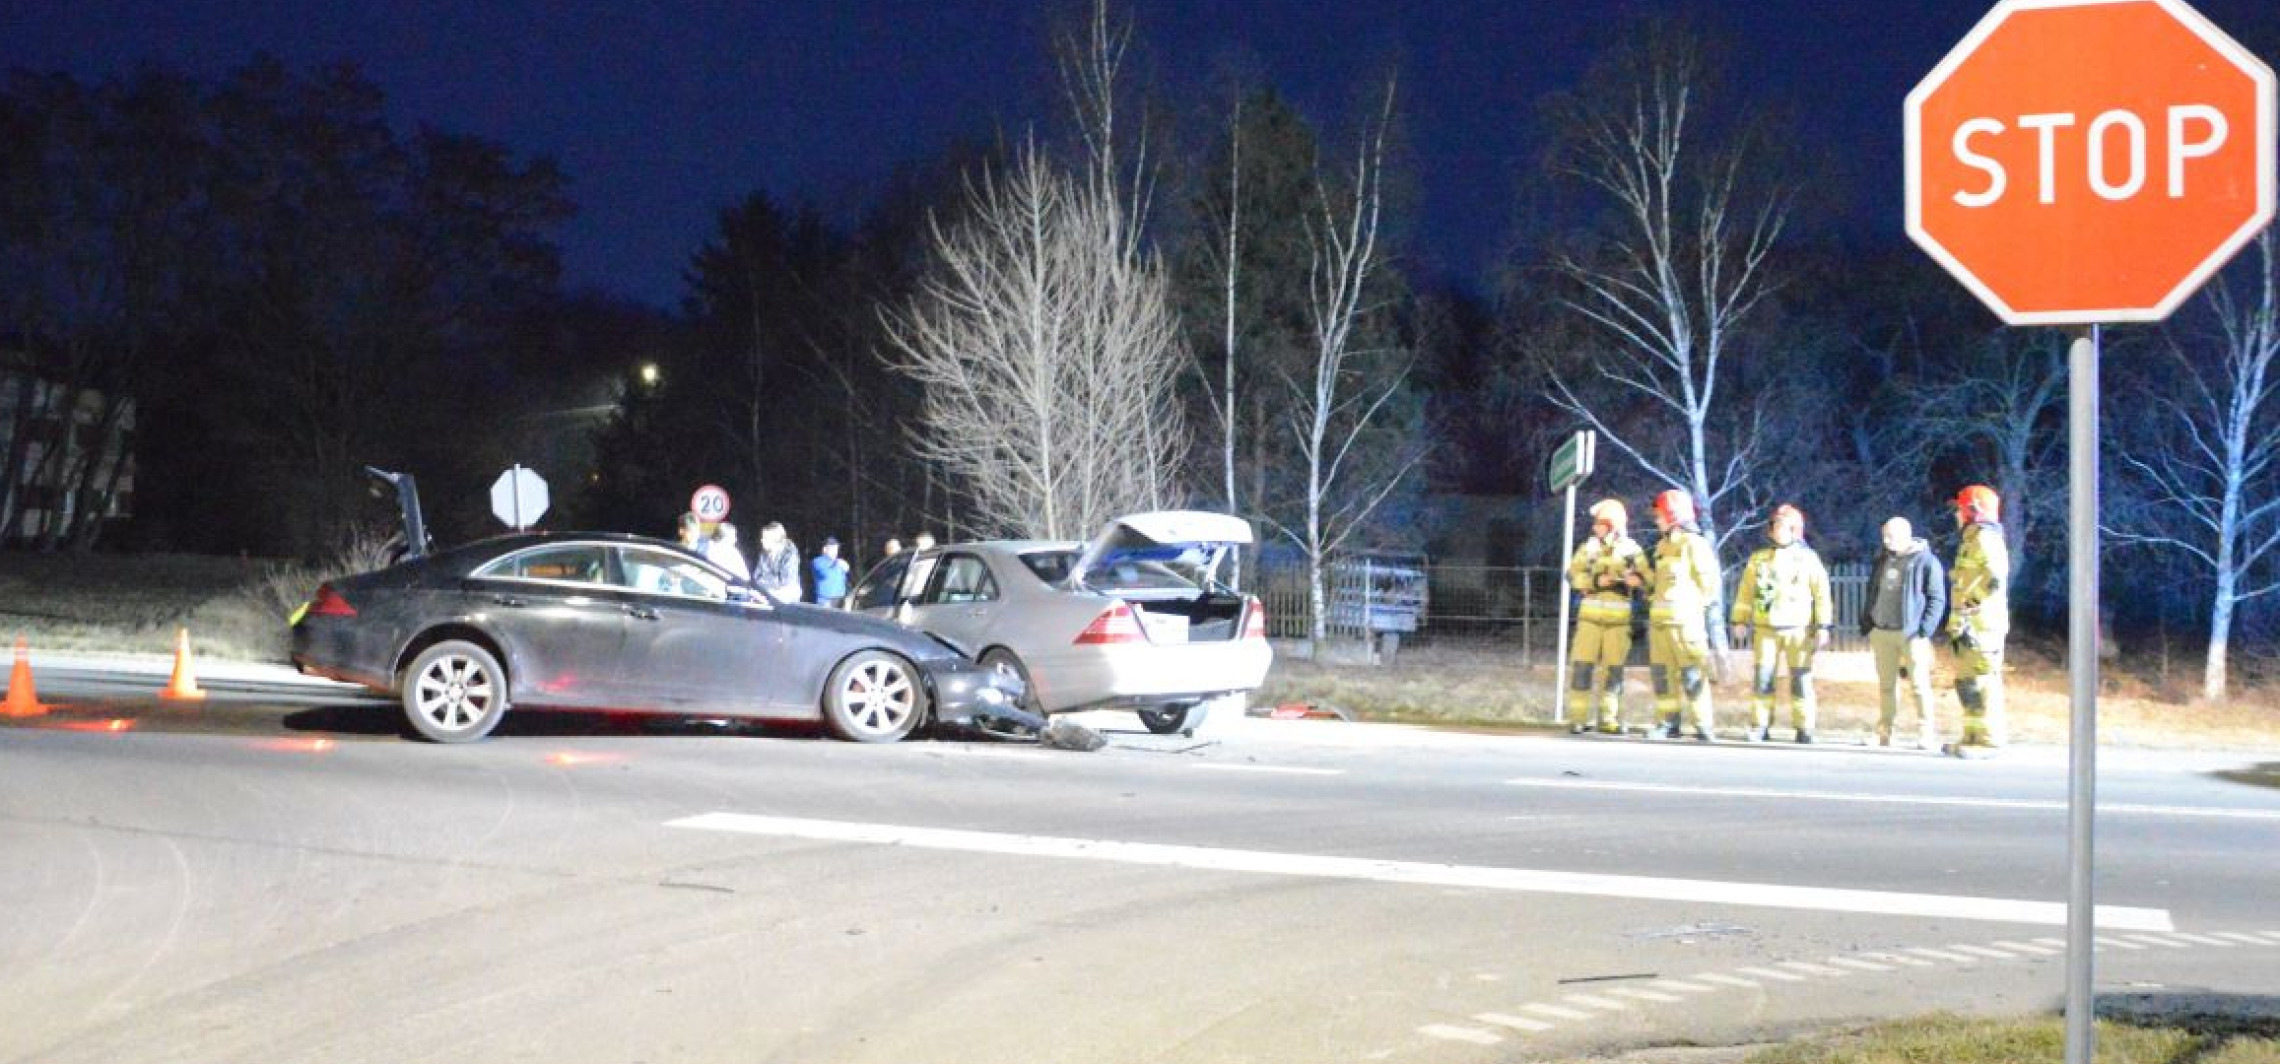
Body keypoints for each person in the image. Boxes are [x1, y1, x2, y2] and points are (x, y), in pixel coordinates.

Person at [1728, 504, 1834, 743]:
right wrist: (1739, 620)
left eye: (1782, 526)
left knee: (1801, 680)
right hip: (1766, 630)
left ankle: (1804, 728)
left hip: (1798, 631)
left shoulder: (1808, 559)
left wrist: (1823, 626)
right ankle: (1760, 725)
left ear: (1795, 530)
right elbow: (1745, 593)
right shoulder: (1759, 560)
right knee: (1763, 680)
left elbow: (1822, 595)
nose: (1776, 530)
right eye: (1774, 525)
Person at [1862, 516, 1947, 749]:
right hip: (1882, 631)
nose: (1887, 541)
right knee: (1886, 685)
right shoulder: (1882, 560)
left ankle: (1926, 732)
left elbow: (1937, 598)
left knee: (1919, 685)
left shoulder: (1925, 561)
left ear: (1906, 535)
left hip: (1911, 634)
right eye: (1885, 536)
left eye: (1891, 536)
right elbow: (1873, 590)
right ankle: (1885, 731)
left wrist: (1924, 630)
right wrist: (1868, 621)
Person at [1564, 498, 1645, 734]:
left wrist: (1637, 580)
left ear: (1612, 525)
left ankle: (1608, 719)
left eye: (1599, 523)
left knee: (1614, 672)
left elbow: (1647, 577)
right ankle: (1577, 719)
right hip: (1589, 620)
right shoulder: (1588, 548)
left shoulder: (1632, 549)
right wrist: (1594, 582)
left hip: (1618, 624)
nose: (1594, 528)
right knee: (1582, 668)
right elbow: (1571, 575)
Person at [1644, 489, 1720, 741]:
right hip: (1660, 624)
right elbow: (1659, 584)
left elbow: (1708, 583)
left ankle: (1703, 726)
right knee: (1662, 677)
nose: (1656, 520)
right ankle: (1668, 724)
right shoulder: (1662, 546)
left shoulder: (1694, 544)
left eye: (1660, 515)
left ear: (1673, 515)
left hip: (1685, 625)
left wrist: (1691, 608)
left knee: (1692, 675)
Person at [1946, 485, 2011, 756]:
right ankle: (1971, 737)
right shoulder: (1972, 540)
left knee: (1983, 680)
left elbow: (1994, 579)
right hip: (1968, 624)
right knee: (1967, 681)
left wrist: (1969, 608)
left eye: (1960, 509)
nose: (1957, 515)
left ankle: (1989, 741)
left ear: (1973, 510)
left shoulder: (1986, 538)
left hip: (1983, 625)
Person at [752, 521, 802, 603]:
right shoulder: (763, 553)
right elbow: (757, 576)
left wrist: (765, 587)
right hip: (767, 590)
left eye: (764, 538)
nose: (761, 540)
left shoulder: (790, 554)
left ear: (775, 539)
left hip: (786, 592)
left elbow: (786, 580)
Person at [811, 536, 850, 607]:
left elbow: (845, 579)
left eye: (836, 548)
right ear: (825, 549)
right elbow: (826, 575)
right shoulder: (818, 561)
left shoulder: (840, 562)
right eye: (832, 548)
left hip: (840, 600)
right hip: (825, 601)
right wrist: (838, 564)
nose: (835, 551)